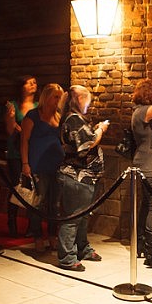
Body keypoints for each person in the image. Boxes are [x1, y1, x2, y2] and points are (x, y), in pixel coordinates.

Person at [56, 85, 108, 271]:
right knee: (73, 217)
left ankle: (82, 248)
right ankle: (67, 257)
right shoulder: (74, 119)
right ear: (79, 100)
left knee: (83, 216)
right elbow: (86, 145)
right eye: (88, 100)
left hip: (85, 177)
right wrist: (101, 129)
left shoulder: (75, 119)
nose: (90, 104)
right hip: (76, 176)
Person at [20, 83, 64, 253]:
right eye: (55, 97)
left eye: (59, 98)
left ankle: (52, 235)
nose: (57, 101)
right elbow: (24, 140)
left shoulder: (58, 116)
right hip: (38, 165)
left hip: (56, 165)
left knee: (55, 204)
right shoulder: (33, 116)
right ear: (46, 97)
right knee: (38, 202)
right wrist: (25, 164)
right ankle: (37, 236)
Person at [130, 78, 152, 267]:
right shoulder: (145, 111)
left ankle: (140, 244)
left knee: (145, 206)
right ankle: (151, 252)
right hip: (151, 164)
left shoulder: (137, 112)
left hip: (141, 161)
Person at [5, 75, 38, 237]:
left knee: (32, 188)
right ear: (21, 86)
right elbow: (10, 131)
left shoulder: (39, 106)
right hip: (16, 152)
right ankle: (12, 220)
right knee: (17, 187)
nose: (33, 85)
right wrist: (12, 119)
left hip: (33, 152)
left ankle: (32, 225)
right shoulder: (13, 105)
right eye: (29, 82)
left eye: (34, 82)